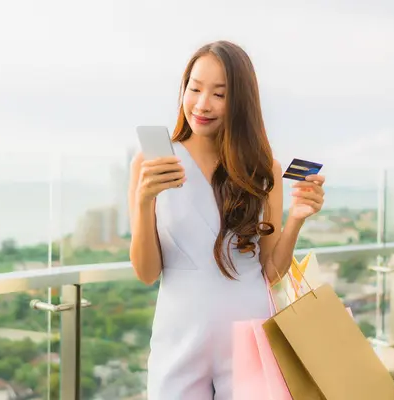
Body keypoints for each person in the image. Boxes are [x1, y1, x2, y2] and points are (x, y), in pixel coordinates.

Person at [128, 40, 326, 400]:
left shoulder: (264, 171)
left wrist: (296, 219)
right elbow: (145, 273)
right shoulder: (151, 163)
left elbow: (271, 272)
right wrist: (144, 202)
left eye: (219, 94)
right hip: (180, 336)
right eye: (195, 88)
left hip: (251, 334)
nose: (202, 104)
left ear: (241, 103)